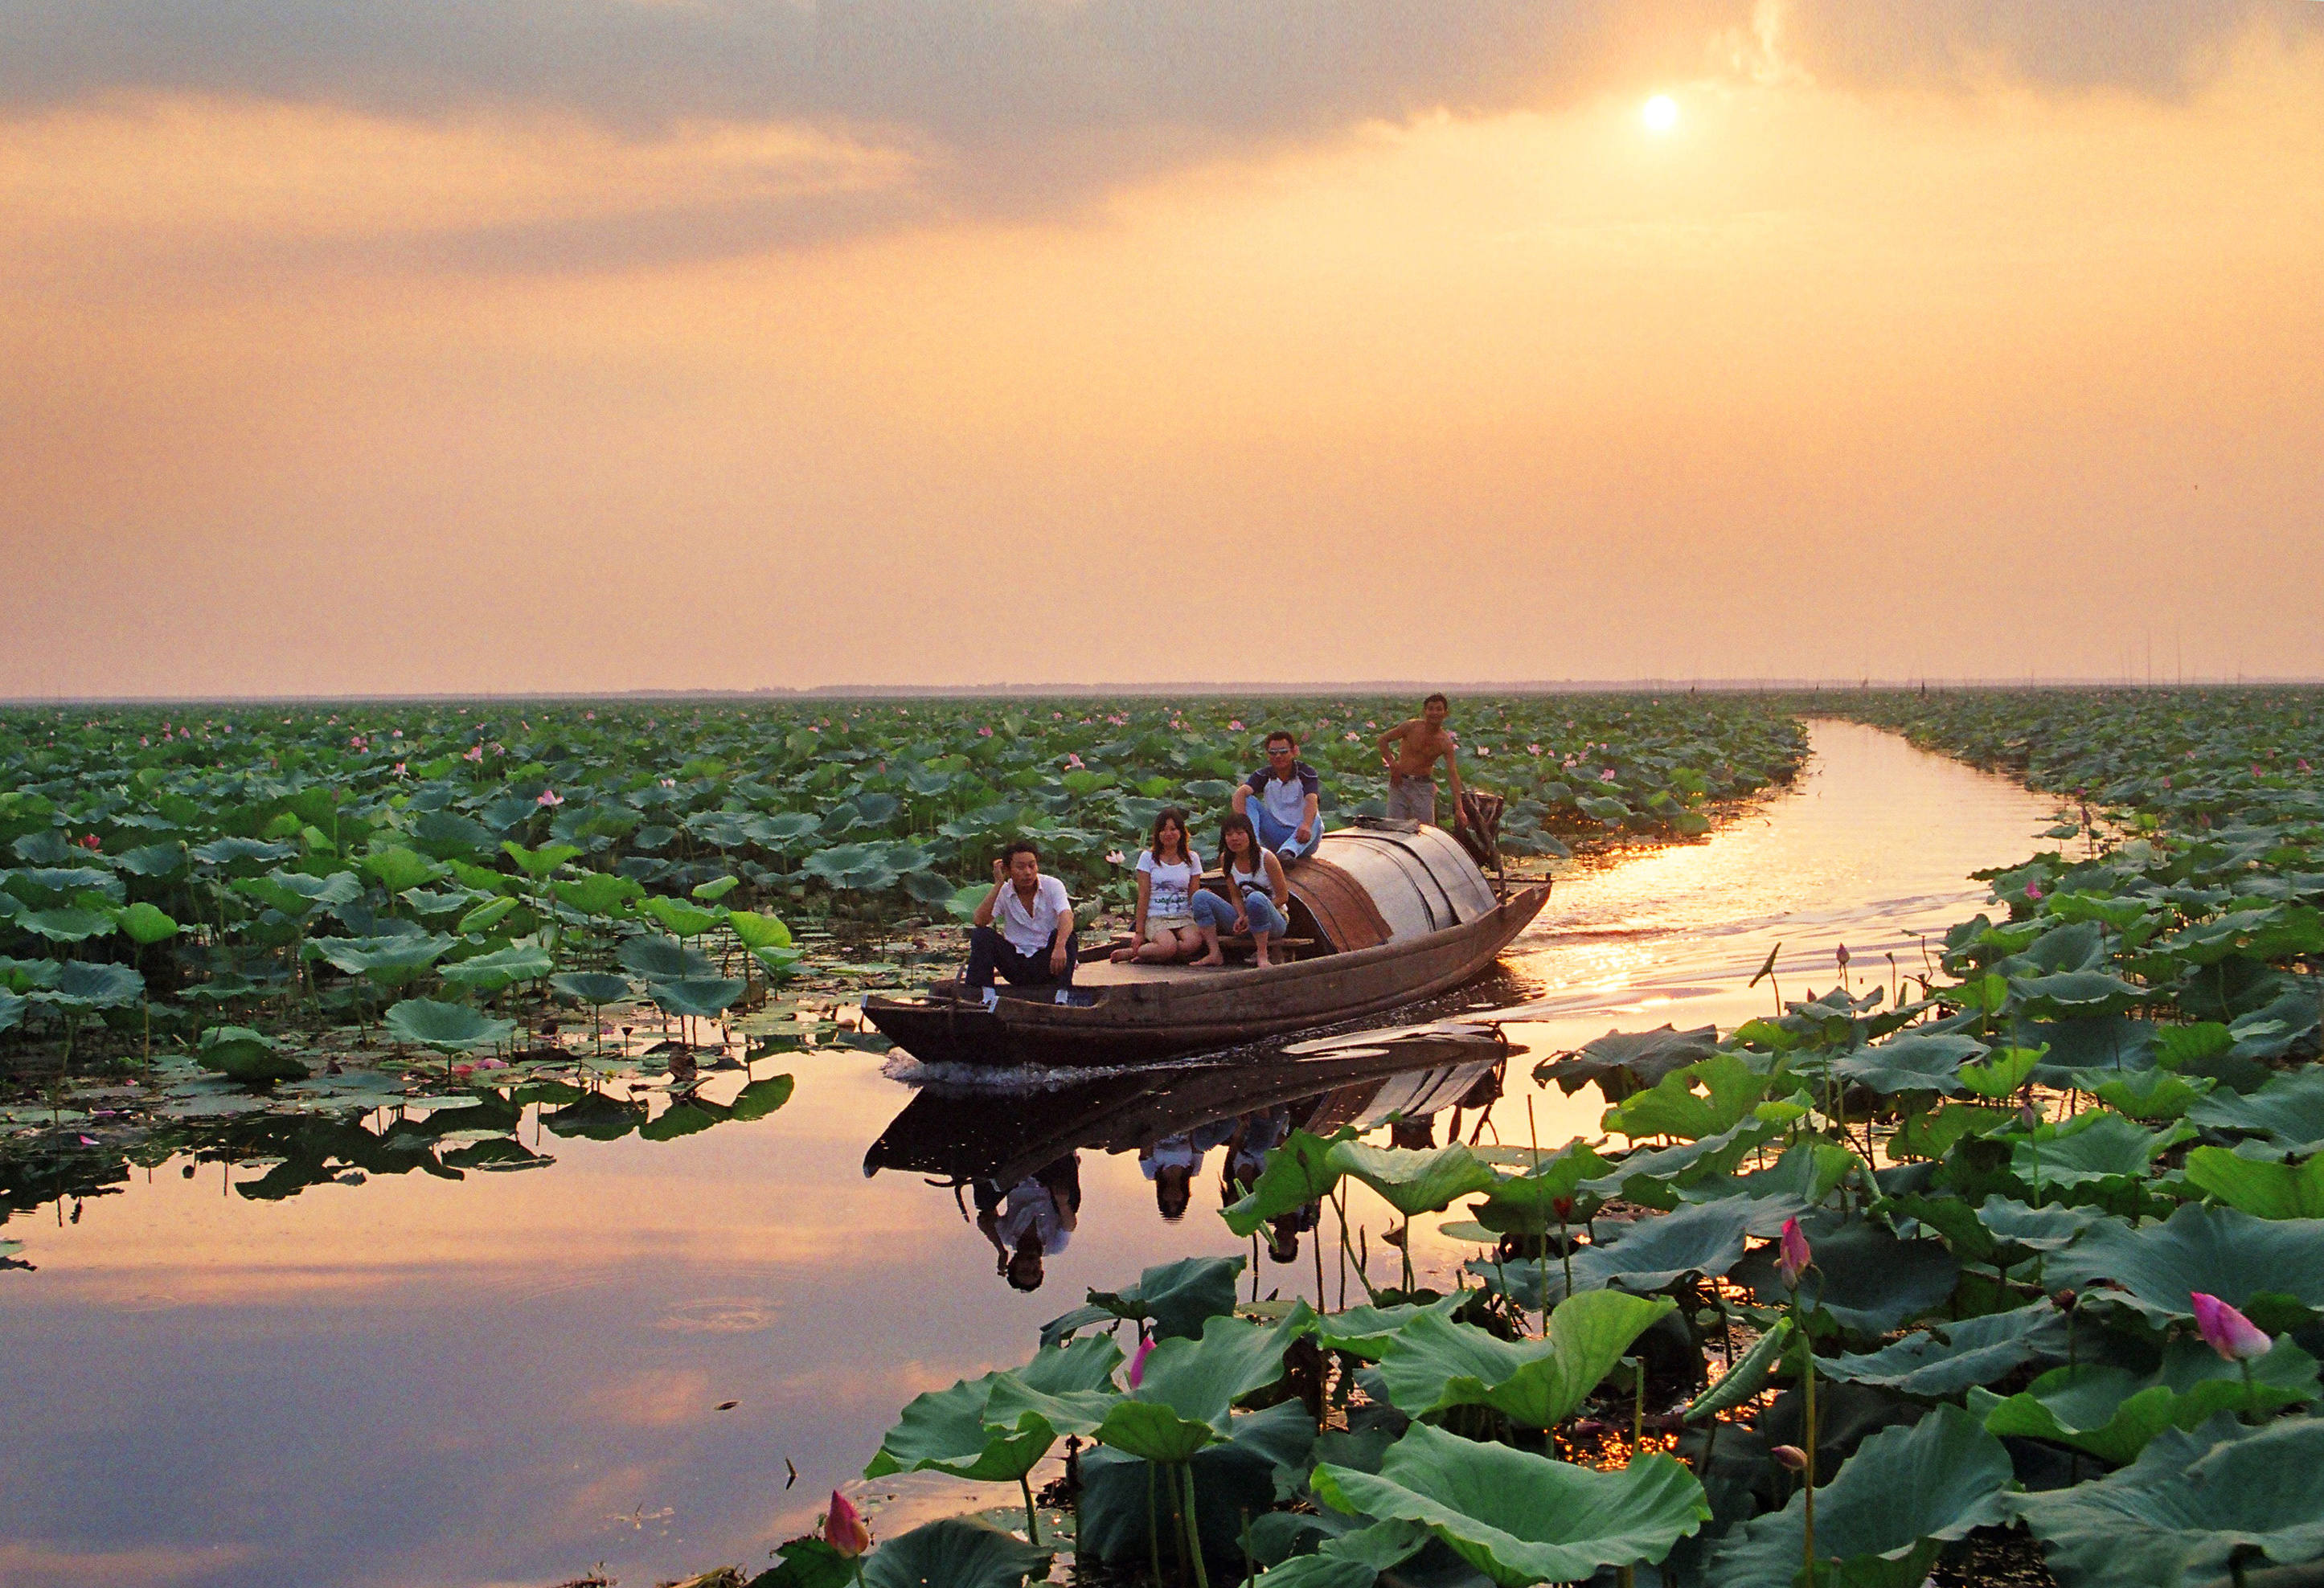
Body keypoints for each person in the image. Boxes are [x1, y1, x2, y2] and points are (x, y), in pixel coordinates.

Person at [965, 840, 1076, 1005]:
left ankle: (1062, 995)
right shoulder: (1004, 891)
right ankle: (987, 995)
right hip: (1016, 965)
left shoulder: (1053, 885)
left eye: (1032, 866)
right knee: (981, 935)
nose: (1028, 872)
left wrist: (1059, 947)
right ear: (1008, 870)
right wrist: (998, 884)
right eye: (1020, 867)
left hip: (1048, 964)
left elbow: (1066, 915)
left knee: (1068, 936)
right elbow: (980, 921)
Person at [1189, 812, 1291, 967]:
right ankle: (1214, 953)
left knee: (1255, 898)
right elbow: (1236, 896)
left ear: (1250, 834)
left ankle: (1262, 956)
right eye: (1229, 834)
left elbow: (1283, 897)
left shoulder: (1267, 858)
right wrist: (1242, 916)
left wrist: (1252, 915)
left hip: (1274, 921)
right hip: (1246, 921)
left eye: (1240, 833)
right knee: (1200, 897)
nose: (1234, 838)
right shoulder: (1226, 859)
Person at [1112, 807, 1204, 964]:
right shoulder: (1147, 858)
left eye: (1173, 829)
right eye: (1163, 830)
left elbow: (1193, 894)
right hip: (1156, 916)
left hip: (1183, 915)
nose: (1168, 834)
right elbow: (1143, 895)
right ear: (1157, 834)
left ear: (1181, 832)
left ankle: (1146, 952)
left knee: (1193, 943)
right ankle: (1141, 951)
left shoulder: (1192, 858)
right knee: (1168, 946)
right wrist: (1139, 932)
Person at [975, 1155, 1080, 1292]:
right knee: (1072, 1206)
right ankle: (1064, 1155)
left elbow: (984, 1219)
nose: (1031, 1265)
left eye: (1025, 1270)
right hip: (1050, 1176)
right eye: (1036, 1271)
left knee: (983, 1202)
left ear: (1013, 1264)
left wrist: (1001, 1251)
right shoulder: (1054, 1246)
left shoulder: (1007, 1236)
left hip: (1015, 1175)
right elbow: (1069, 1225)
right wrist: (1062, 1203)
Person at [1376, 693, 1466, 829]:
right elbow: (1382, 740)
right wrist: (1392, 764)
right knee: (1393, 829)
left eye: (1438, 709)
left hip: (1423, 787)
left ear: (1445, 713)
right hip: (1399, 784)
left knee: (1425, 832)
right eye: (1430, 709)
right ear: (1424, 711)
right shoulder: (1410, 727)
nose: (1434, 713)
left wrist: (1460, 809)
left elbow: (1453, 774)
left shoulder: (1445, 742)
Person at [1231, 730, 1323, 861]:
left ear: (1293, 751)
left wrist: (1306, 825)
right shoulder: (1263, 775)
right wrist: (1243, 827)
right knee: (1247, 799)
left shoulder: (1306, 773)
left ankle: (1288, 852)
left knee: (1315, 818)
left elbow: (1311, 799)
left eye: (1283, 752)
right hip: (1275, 833)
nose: (1278, 756)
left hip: (1303, 837)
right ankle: (1252, 846)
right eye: (1273, 753)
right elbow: (1240, 793)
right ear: (1267, 755)